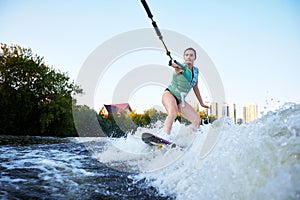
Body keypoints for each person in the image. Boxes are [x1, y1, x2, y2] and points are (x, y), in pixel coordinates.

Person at [161, 47, 209, 140]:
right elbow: (175, 66)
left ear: (195, 58)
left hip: (181, 100)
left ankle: (181, 139)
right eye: (187, 55)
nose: (189, 57)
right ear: (184, 57)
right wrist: (174, 66)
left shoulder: (196, 71)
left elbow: (196, 87)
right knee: (173, 112)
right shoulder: (180, 67)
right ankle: (165, 136)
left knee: (197, 120)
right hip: (169, 94)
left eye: (191, 55)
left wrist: (202, 103)